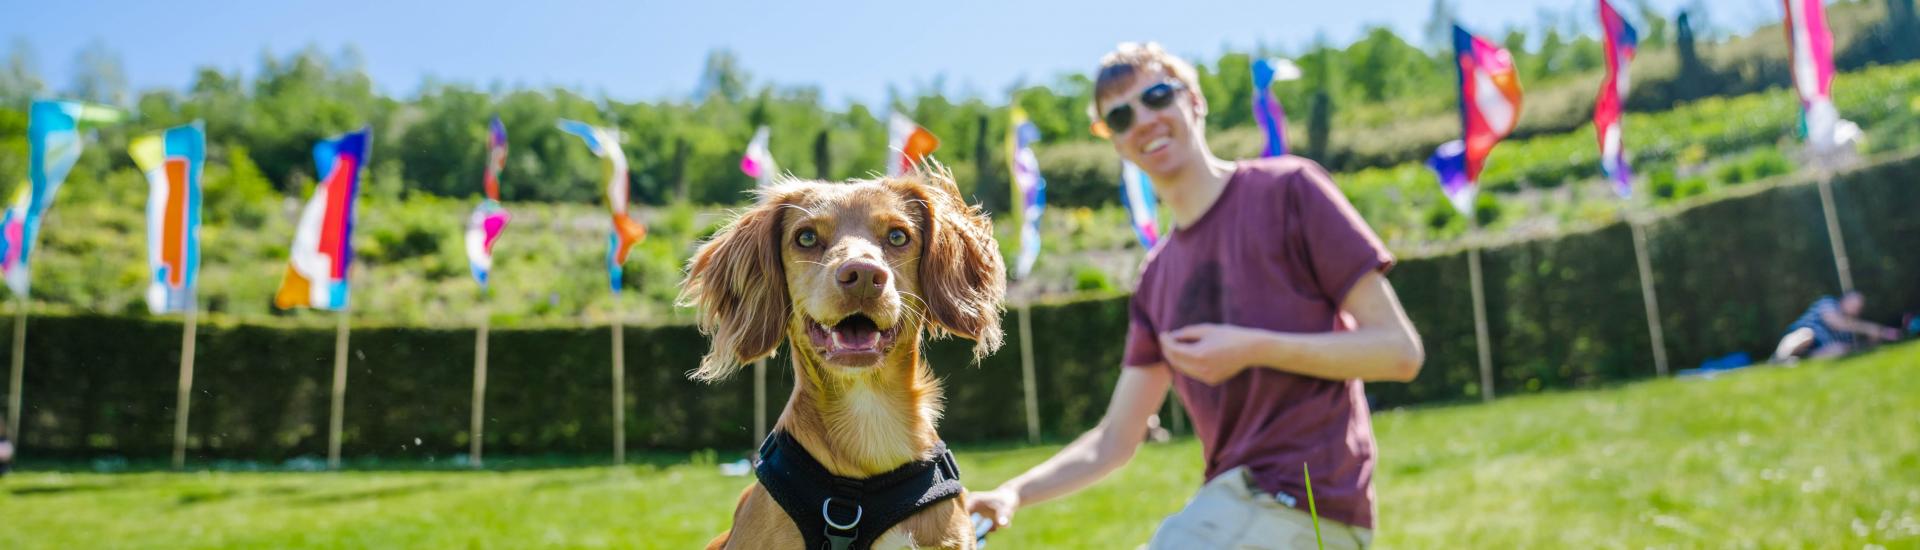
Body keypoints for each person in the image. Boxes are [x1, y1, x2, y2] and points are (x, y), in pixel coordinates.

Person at [966, 42, 1424, 549]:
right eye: (1120, 116)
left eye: (1158, 96)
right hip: (1228, 505)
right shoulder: (1156, 279)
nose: (1143, 119)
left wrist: (1253, 347)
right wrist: (1012, 493)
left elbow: (1398, 351)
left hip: (1309, 507)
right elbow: (1114, 440)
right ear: (1115, 143)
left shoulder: (1290, 190)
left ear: (1196, 101)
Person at [1772, 291, 1901, 361]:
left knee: (1840, 349)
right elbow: (1836, 323)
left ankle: (1798, 361)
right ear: (1844, 300)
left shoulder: (1849, 331)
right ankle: (1780, 359)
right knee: (1806, 335)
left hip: (1815, 352)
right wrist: (1869, 328)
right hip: (1797, 339)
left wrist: (1874, 339)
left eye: (1859, 307)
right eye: (1854, 303)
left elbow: (1854, 347)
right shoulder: (1829, 303)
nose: (1856, 308)